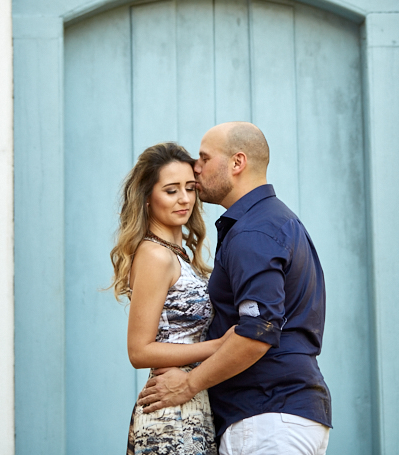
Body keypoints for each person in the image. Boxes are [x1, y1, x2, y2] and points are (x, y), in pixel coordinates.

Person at [137, 122, 332, 455]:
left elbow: (257, 332)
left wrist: (187, 385)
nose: (196, 167)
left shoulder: (253, 232)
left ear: (237, 163)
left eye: (204, 158)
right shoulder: (277, 221)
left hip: (268, 415)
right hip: (279, 413)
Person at [110, 142, 234, 455]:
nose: (184, 199)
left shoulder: (179, 257)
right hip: (170, 415)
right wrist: (221, 346)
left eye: (190, 188)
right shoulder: (155, 256)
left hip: (191, 402)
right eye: (171, 190)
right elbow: (139, 351)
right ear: (148, 198)